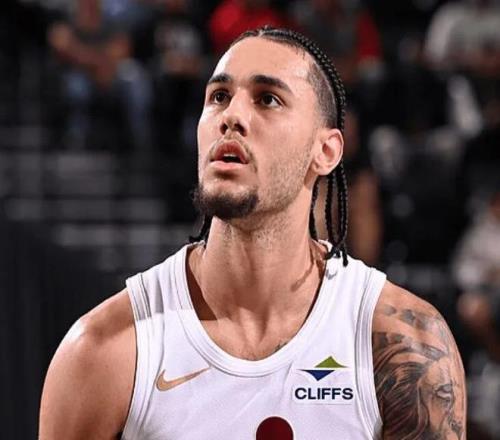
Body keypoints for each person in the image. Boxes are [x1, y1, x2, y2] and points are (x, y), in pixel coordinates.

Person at [39, 27, 466, 439]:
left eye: (268, 99)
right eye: (219, 97)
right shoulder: (105, 349)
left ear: (326, 151)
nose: (232, 117)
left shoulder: (404, 345)